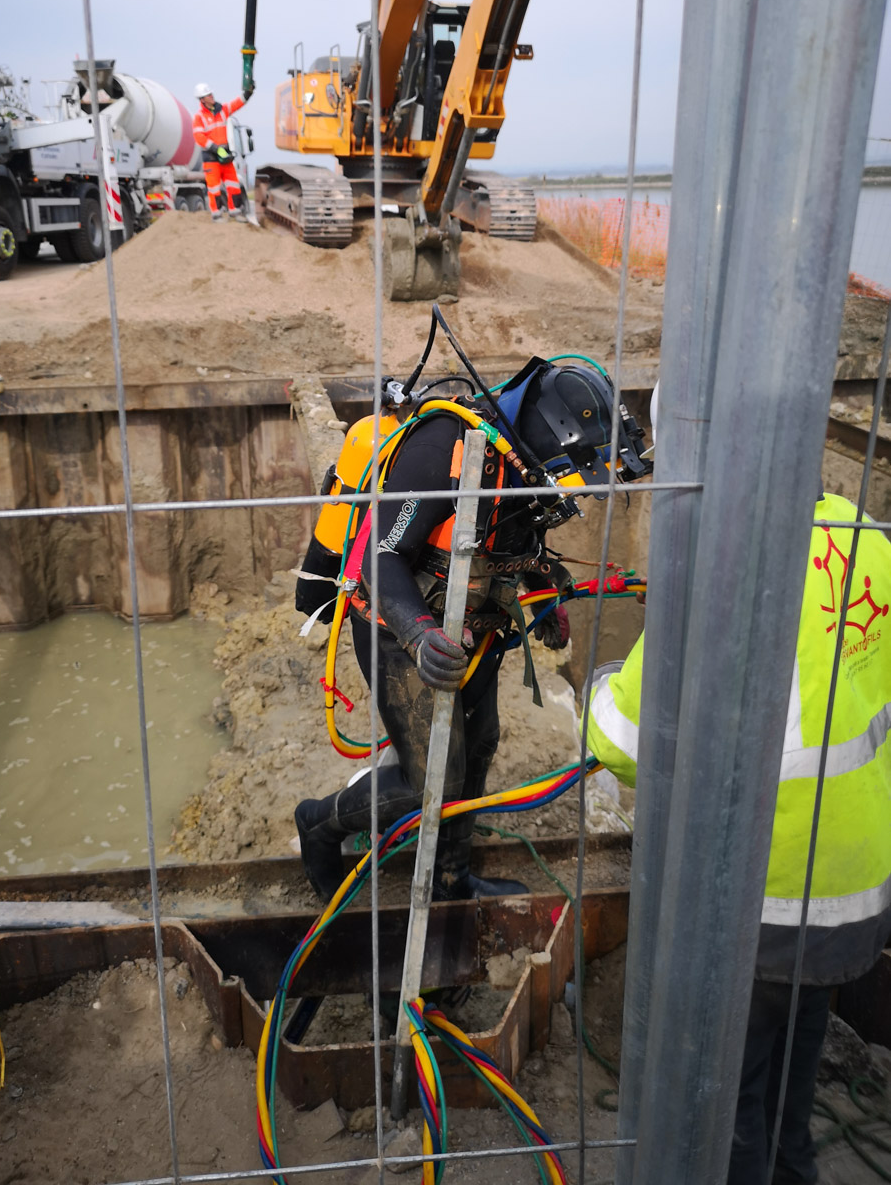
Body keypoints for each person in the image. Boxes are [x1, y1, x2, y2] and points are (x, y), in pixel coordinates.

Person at [585, 489, 891, 1184]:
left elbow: (622, 741)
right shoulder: (863, 532)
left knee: (730, 1106)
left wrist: (607, 683)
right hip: (858, 878)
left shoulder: (730, 560)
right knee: (791, 1078)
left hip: (767, 897)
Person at [293, 355, 650, 906]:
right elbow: (381, 556)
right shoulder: (445, 449)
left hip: (472, 625)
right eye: (574, 477)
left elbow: (515, 533)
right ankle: (319, 824)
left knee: (478, 745)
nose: (575, 495)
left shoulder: (526, 469)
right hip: (394, 624)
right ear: (550, 436)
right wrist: (416, 635)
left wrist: (546, 590)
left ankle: (450, 878)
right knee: (430, 778)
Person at [191, 81, 250, 221]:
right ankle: (216, 214)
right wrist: (214, 147)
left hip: (225, 156)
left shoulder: (222, 109)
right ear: (202, 99)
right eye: (207, 95)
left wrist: (247, 94)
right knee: (214, 187)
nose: (211, 96)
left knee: (234, 184)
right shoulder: (199, 117)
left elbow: (237, 104)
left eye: (211, 93)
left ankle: (235, 211)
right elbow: (199, 137)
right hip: (211, 158)